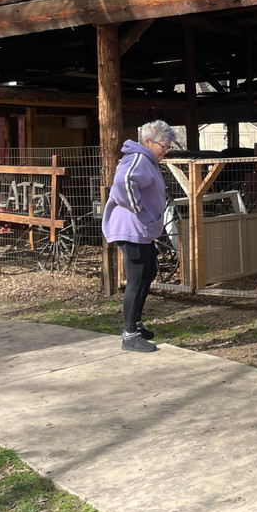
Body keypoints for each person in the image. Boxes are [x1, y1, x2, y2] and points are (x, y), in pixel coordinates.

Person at [102, 120, 175, 353]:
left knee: (149, 272)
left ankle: (136, 324)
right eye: (164, 146)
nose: (166, 151)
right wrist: (138, 209)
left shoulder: (148, 160)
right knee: (137, 278)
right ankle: (129, 334)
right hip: (132, 228)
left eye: (168, 147)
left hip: (142, 228)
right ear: (147, 141)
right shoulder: (137, 158)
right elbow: (123, 183)